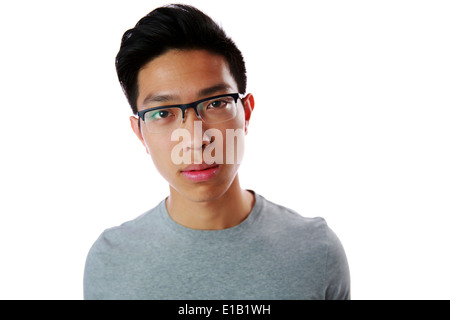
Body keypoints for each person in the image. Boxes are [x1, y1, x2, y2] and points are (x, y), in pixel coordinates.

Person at [83, 3, 350, 300]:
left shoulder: (316, 252)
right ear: (140, 133)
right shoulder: (111, 262)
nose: (196, 140)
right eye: (163, 113)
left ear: (246, 113)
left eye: (215, 104)